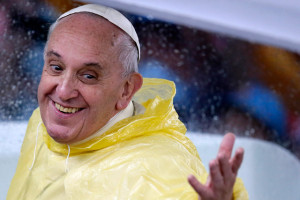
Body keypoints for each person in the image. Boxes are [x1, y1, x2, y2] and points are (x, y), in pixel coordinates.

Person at [7, 4, 248, 200]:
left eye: (88, 76)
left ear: (126, 90)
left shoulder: (153, 168)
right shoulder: (46, 120)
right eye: (56, 67)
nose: (63, 90)